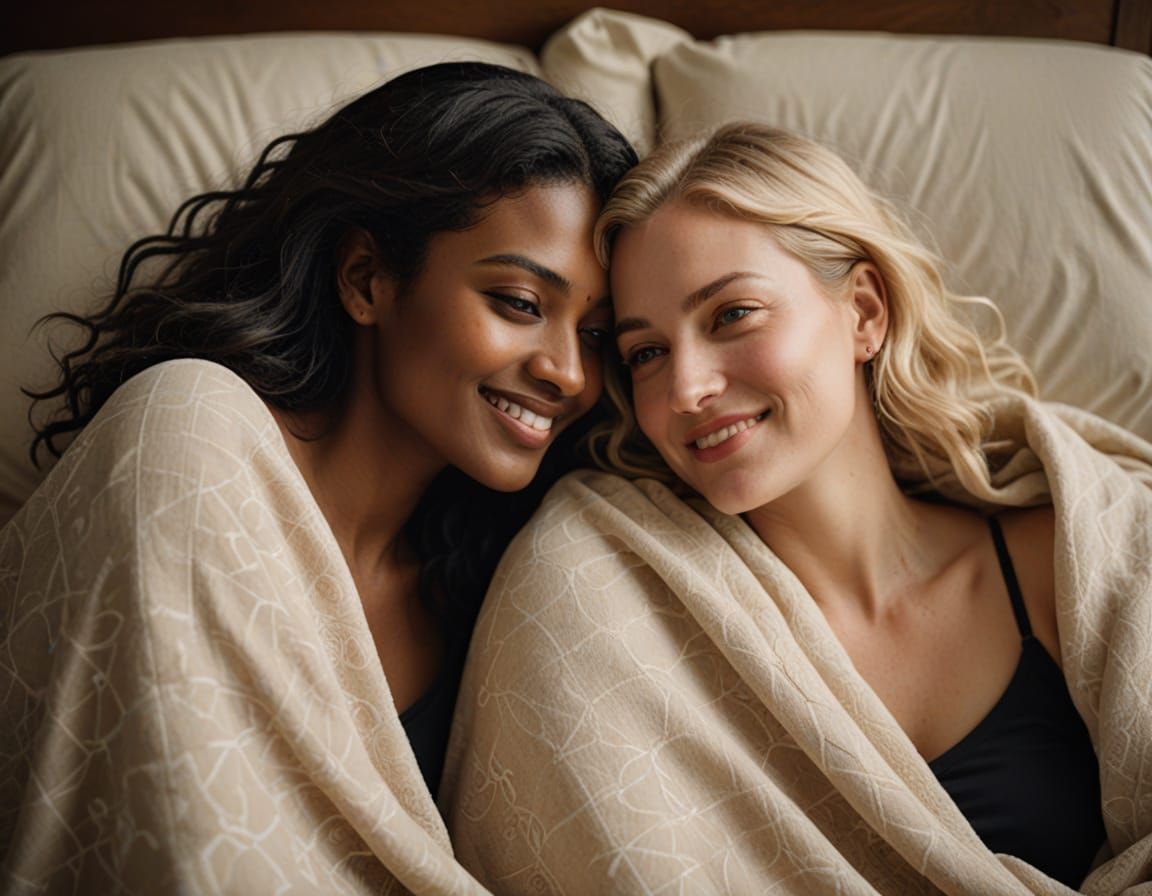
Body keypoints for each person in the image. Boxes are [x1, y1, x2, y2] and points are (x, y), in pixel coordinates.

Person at [443, 123, 1152, 893]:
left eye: (731, 315)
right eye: (646, 352)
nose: (685, 390)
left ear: (865, 312)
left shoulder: (1076, 559)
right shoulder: (610, 589)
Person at [0, 62, 636, 894]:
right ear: (366, 278)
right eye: (519, 302)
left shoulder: (502, 581)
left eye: (595, 336)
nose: (567, 374)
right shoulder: (190, 434)